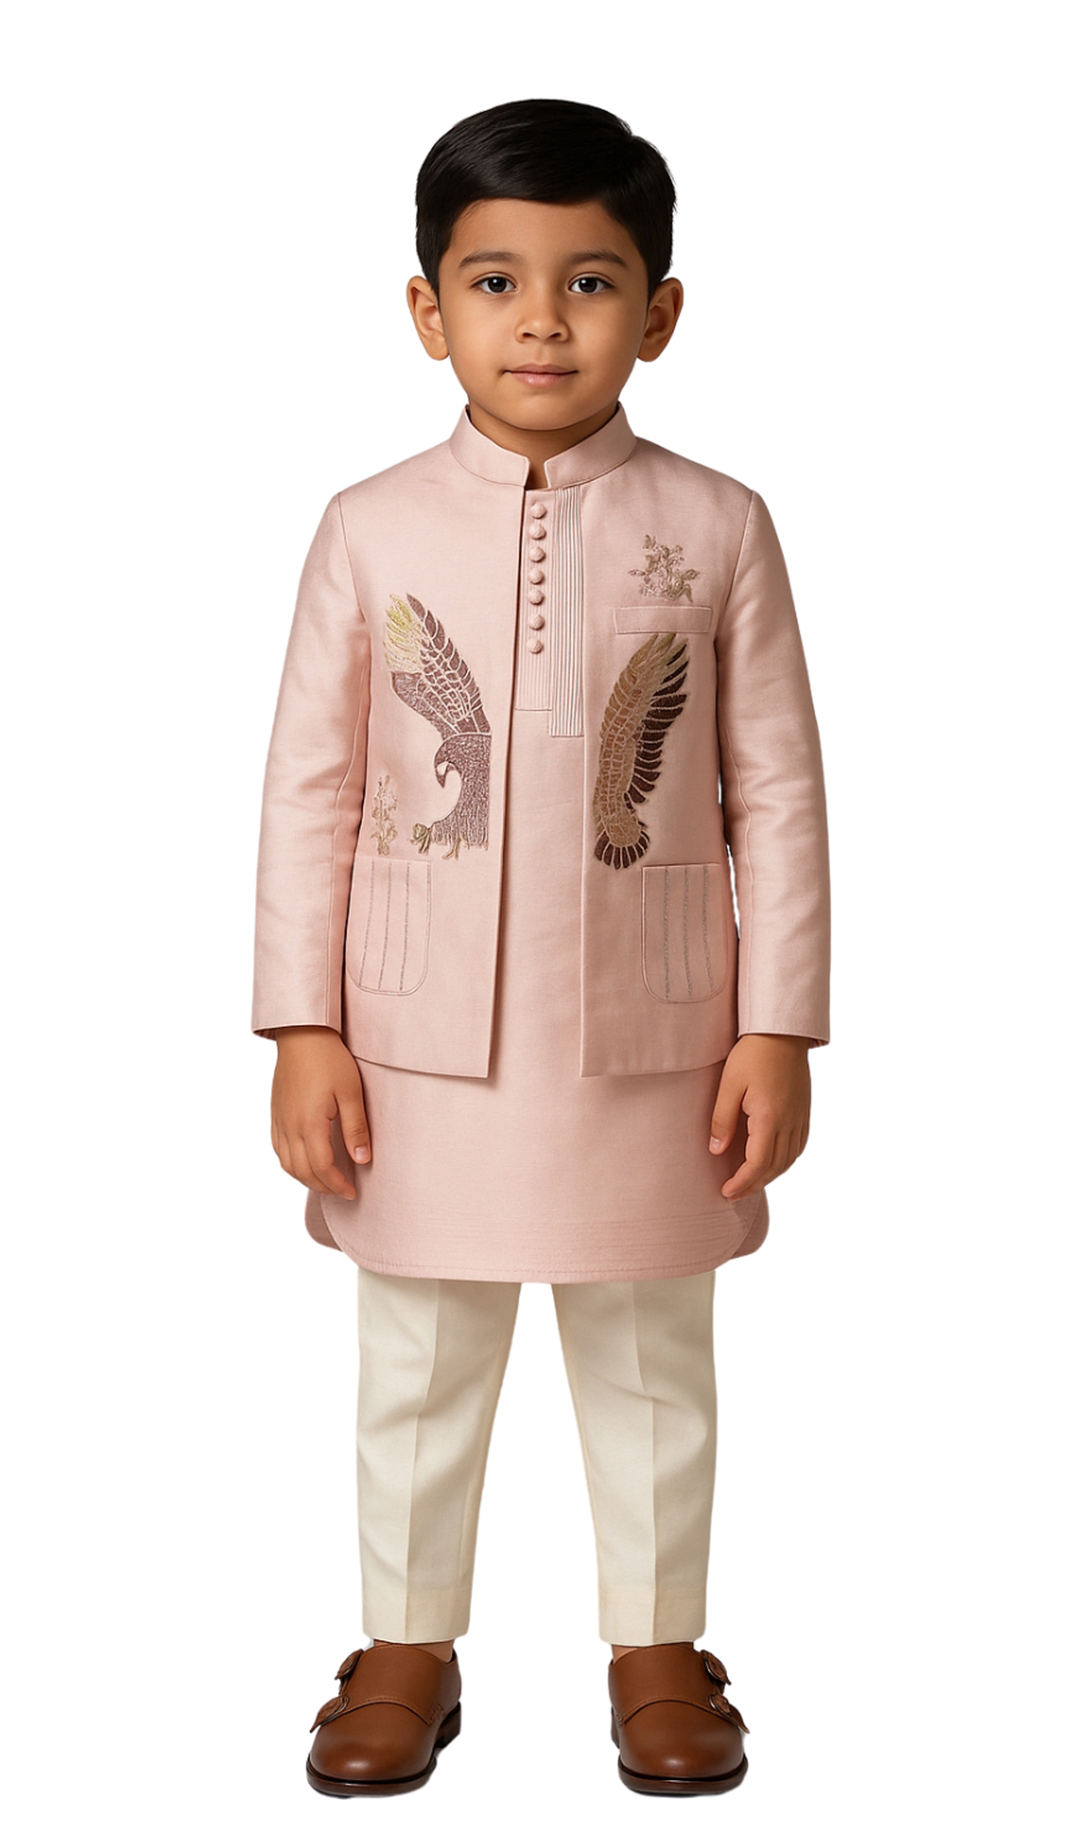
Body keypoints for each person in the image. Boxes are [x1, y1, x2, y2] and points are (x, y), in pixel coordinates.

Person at [251, 97, 830, 1799]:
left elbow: (776, 788)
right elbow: (309, 786)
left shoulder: (719, 525)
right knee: (418, 1355)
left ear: (661, 311)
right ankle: (404, 1645)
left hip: (659, 1031)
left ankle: (659, 1649)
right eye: (496, 281)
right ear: (427, 311)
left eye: (590, 282)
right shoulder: (366, 526)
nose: (543, 322)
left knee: (651, 1355)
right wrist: (300, 1024)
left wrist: (778, 1023)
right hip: (410, 1036)